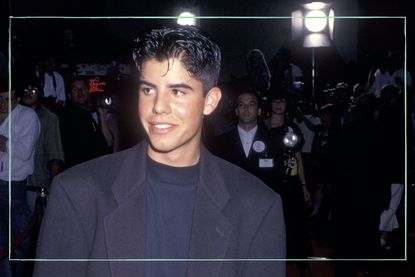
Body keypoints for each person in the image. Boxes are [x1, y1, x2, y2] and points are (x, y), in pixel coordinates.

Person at [33, 25, 286, 277]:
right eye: (148, 89)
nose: (158, 107)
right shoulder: (77, 193)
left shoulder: (257, 206)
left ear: (210, 101)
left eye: (177, 91)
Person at [265, 92, 312, 277]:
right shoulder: (262, 126)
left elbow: (298, 158)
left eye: (282, 100)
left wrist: (303, 184)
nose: (278, 103)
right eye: (275, 99)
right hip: (267, 183)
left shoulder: (292, 128)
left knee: (296, 224)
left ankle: (302, 264)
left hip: (290, 183)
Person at [0, 76, 40, 277]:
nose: (5, 103)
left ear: (16, 98)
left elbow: (23, 152)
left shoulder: (27, 117)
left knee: (22, 241)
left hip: (13, 187)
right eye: (1, 98)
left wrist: (3, 141)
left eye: (9, 98)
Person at [212, 83, 277, 189]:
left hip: (262, 199)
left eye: (251, 104)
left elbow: (276, 176)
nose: (246, 109)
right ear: (236, 111)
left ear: (259, 110)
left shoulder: (273, 141)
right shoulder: (220, 143)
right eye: (241, 105)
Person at [59, 77, 113, 169]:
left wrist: (102, 117)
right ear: (69, 95)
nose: (80, 92)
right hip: (79, 171)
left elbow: (109, 143)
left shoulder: (88, 115)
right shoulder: (66, 116)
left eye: (83, 89)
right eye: (75, 89)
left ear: (88, 92)